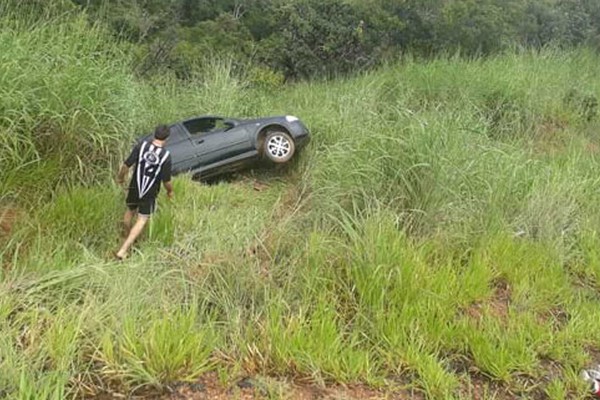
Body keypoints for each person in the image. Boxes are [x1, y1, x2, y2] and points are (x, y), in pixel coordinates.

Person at [115, 125, 174, 260]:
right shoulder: (165, 156)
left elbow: (126, 164)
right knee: (142, 219)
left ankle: (126, 236)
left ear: (154, 135)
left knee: (130, 210)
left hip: (135, 186)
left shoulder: (141, 146)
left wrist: (120, 178)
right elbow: (166, 180)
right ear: (167, 138)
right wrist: (170, 191)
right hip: (150, 191)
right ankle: (123, 250)